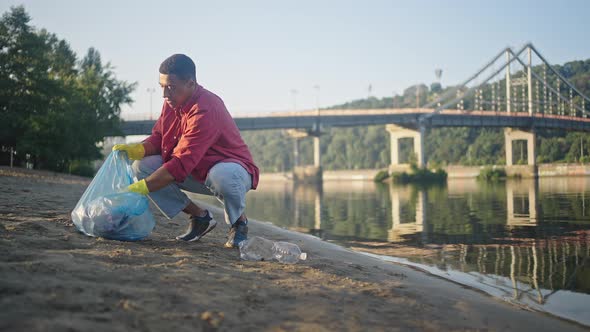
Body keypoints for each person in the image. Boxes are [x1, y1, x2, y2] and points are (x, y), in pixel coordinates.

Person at [113, 54, 259, 248]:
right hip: (196, 170)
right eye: (162, 87)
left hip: (232, 171)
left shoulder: (205, 108)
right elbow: (159, 138)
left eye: (170, 87)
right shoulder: (172, 103)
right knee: (142, 166)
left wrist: (141, 188)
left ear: (190, 83)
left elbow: (180, 163)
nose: (165, 94)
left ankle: (239, 223)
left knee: (222, 176)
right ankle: (199, 217)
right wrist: (138, 149)